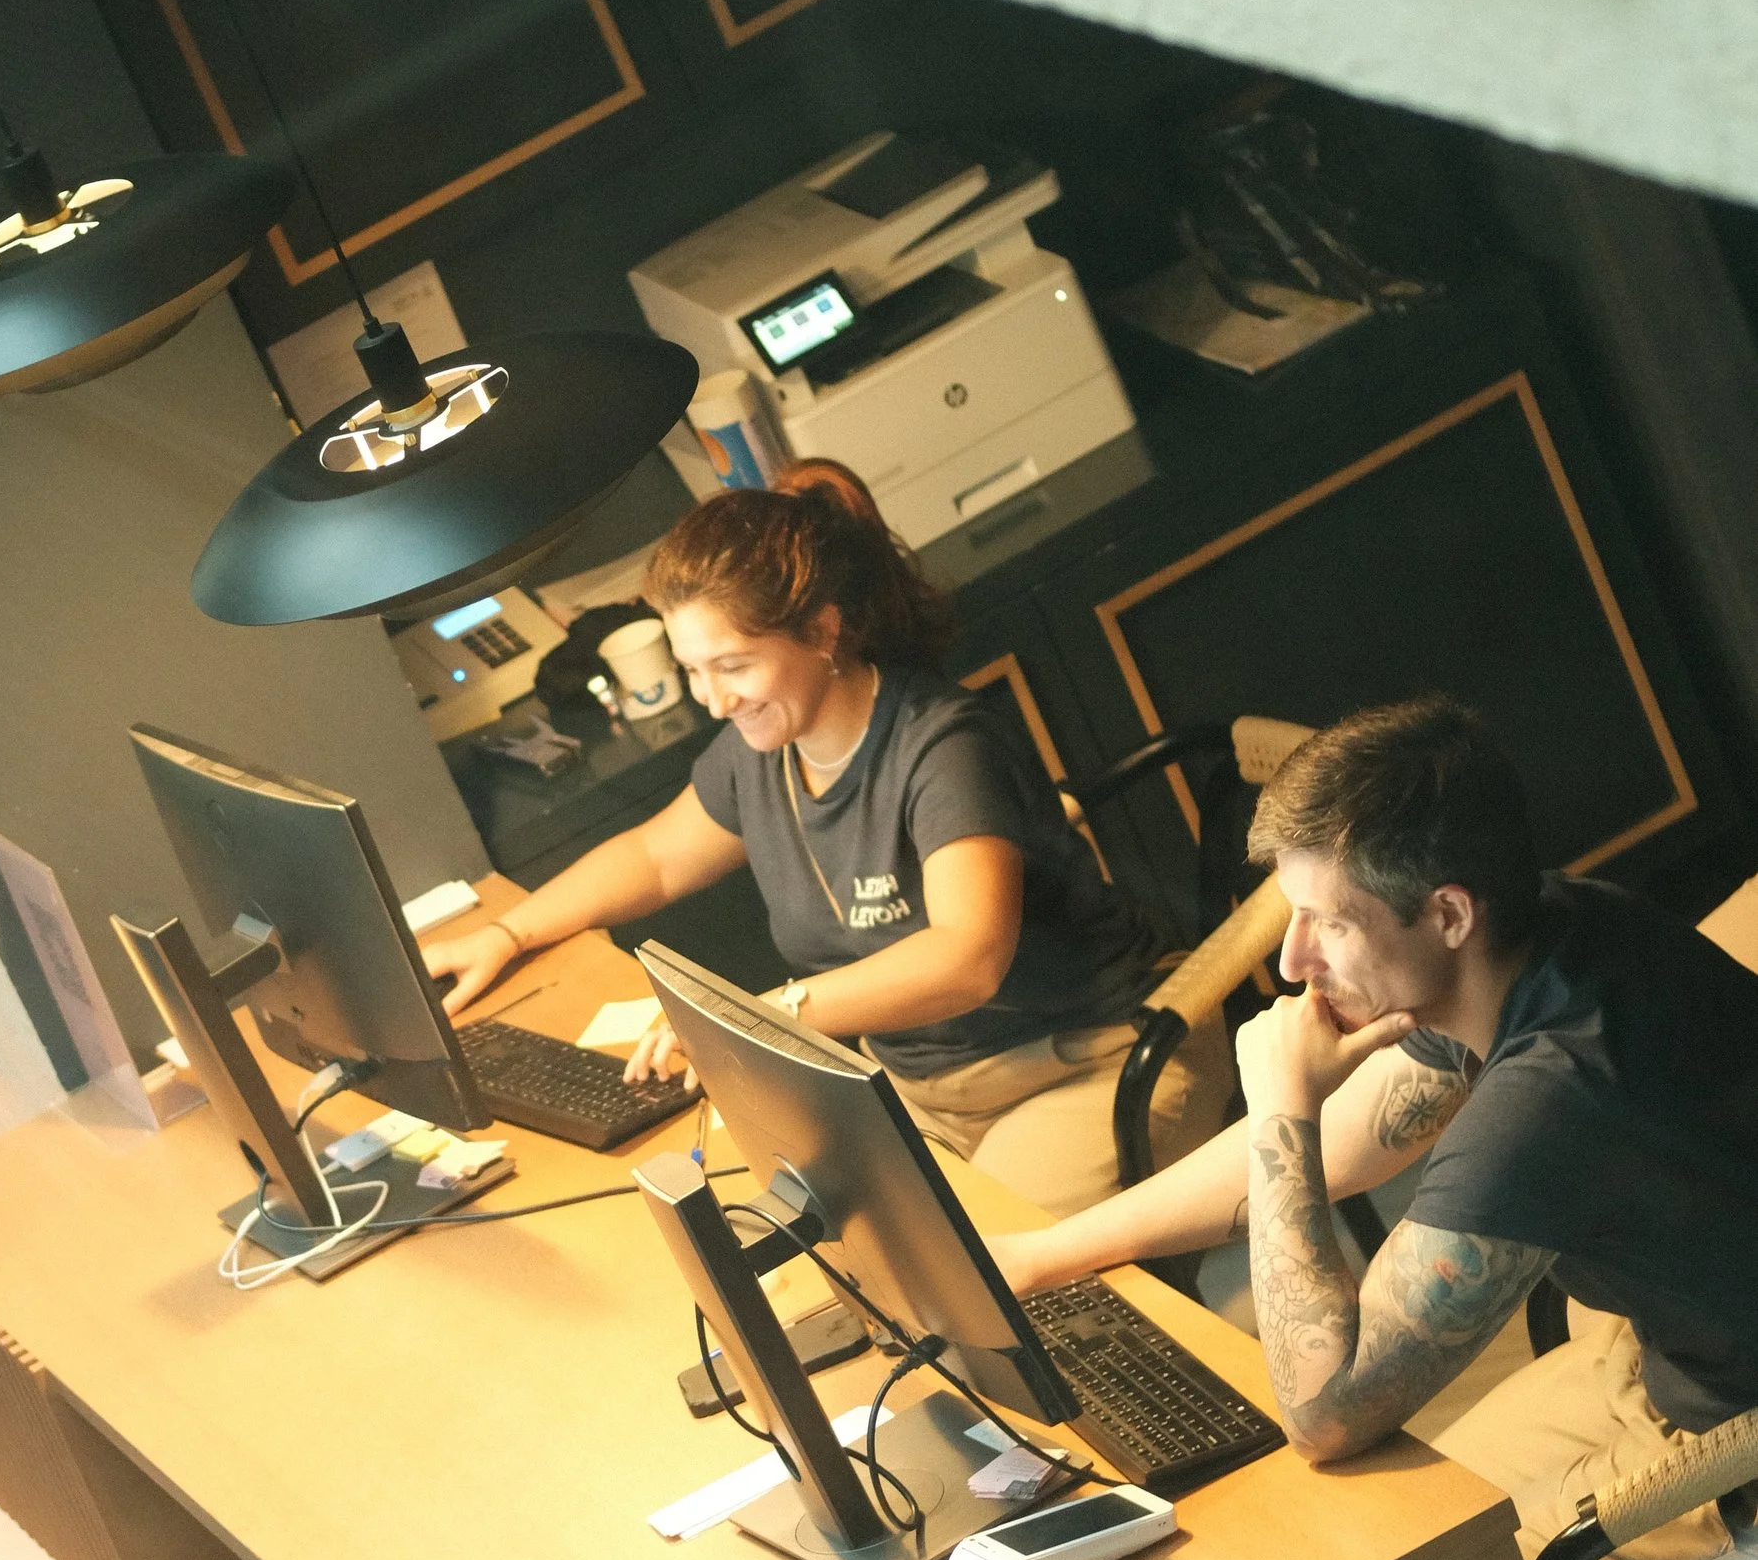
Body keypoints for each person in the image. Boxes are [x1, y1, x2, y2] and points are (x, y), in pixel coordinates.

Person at [985, 693, 1758, 1560]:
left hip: (1735, 1452)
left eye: (1326, 924)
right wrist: (1045, 1252)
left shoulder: (1548, 1097)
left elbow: (1326, 1402)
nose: (1290, 962)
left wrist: (1271, 1105)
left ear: (1444, 911)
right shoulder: (1555, 929)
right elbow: (1356, 1138)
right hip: (1675, 1358)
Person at [419, 460, 1228, 1215]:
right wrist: (507, 930)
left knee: (984, 1289)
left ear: (824, 631)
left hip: (1093, 1063)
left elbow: (967, 958)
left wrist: (773, 1017)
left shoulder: (945, 747)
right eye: (694, 669)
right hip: (921, 1086)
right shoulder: (762, 750)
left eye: (733, 666)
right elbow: (656, 858)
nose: (712, 700)